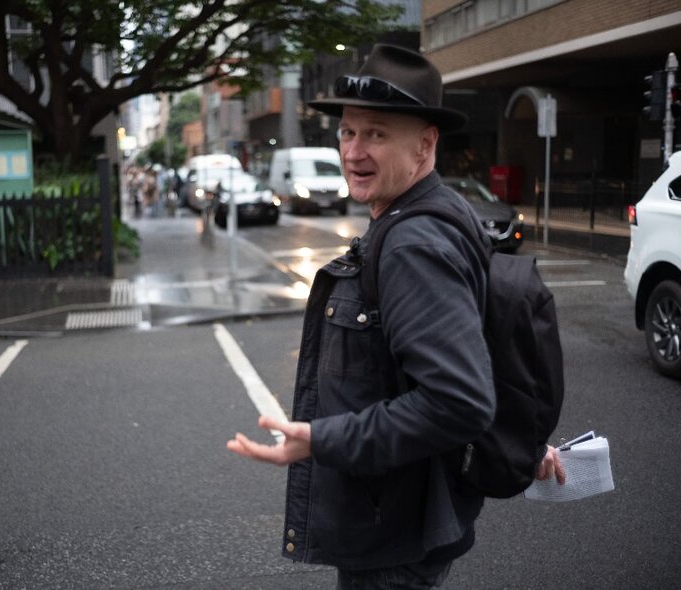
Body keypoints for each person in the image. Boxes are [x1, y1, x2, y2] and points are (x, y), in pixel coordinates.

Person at [227, 44, 565, 589]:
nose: (354, 151)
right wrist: (517, 439)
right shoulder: (436, 211)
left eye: (377, 134)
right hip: (407, 518)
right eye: (348, 132)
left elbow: (458, 399)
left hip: (393, 538)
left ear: (425, 144)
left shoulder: (413, 244)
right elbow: (472, 347)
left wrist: (322, 439)